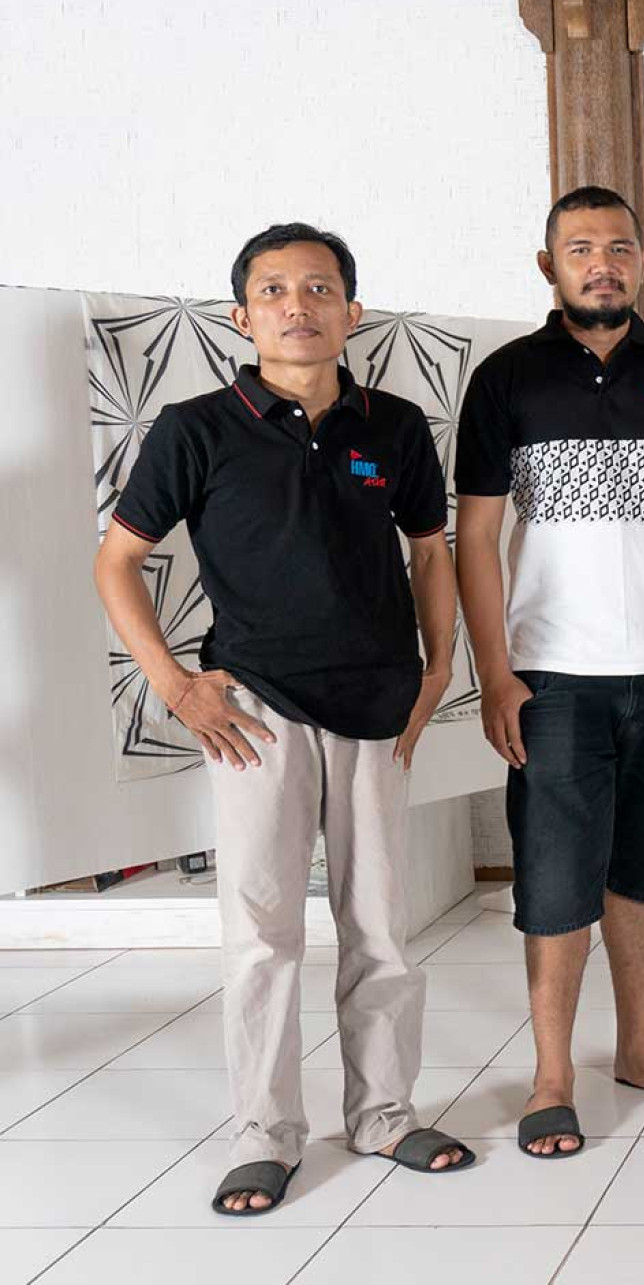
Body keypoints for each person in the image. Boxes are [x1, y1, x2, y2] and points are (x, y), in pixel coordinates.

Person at [94, 223, 473, 1215]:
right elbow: (117, 561)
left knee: (381, 926)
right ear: (241, 316)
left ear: (352, 310)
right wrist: (176, 684)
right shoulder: (195, 428)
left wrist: (440, 668)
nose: (297, 305)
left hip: (379, 703)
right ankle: (265, 1134)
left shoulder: (395, 427)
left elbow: (430, 552)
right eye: (273, 291)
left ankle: (384, 1114)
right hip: (253, 708)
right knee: (262, 933)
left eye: (318, 288)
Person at [454, 186, 644, 1160]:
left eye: (619, 246)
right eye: (580, 248)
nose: (602, 263)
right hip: (554, 678)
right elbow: (475, 538)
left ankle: (641, 1051)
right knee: (554, 882)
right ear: (549, 266)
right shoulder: (507, 380)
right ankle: (551, 1079)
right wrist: (495, 674)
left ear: (643, 261)